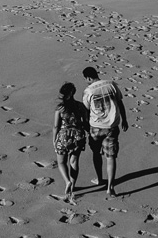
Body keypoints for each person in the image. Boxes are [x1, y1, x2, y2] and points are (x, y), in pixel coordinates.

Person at [81, 66, 129, 198]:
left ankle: (100, 179)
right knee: (111, 157)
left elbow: (86, 111)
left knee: (96, 153)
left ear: (88, 78)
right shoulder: (111, 84)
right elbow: (120, 103)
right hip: (112, 127)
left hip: (96, 127)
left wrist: (85, 126)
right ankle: (110, 187)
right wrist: (124, 119)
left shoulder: (89, 91)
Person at [52, 82, 88, 203]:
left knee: (61, 162)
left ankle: (67, 181)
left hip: (63, 136)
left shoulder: (60, 108)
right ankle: (72, 186)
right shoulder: (80, 106)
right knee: (74, 162)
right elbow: (86, 122)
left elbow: (56, 126)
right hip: (78, 136)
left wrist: (54, 139)